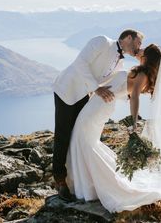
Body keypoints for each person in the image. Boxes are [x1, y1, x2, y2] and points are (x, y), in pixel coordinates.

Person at [66, 44, 161, 212]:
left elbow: (135, 96)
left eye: (144, 49)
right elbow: (129, 78)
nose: (140, 50)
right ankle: (89, 184)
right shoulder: (143, 70)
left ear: (148, 57)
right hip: (100, 104)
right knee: (84, 140)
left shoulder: (142, 74)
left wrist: (134, 121)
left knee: (83, 140)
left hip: (100, 106)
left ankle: (96, 185)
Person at [52, 29, 144, 200]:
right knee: (63, 135)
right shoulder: (102, 41)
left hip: (84, 96)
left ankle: (75, 178)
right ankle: (59, 180)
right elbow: (81, 63)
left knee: (77, 135)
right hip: (67, 89)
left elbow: (116, 84)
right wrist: (96, 88)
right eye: (138, 43)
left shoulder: (120, 64)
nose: (139, 48)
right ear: (128, 38)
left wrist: (132, 102)